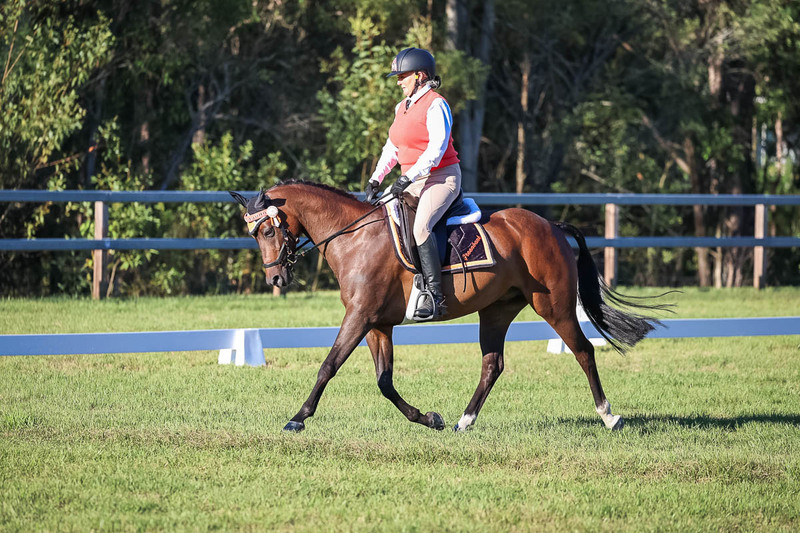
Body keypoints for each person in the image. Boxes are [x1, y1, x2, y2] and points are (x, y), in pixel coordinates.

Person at [365, 47, 461, 320]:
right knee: (380, 215)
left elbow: (436, 150)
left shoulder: (436, 104)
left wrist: (407, 177)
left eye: (403, 76)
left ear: (420, 76)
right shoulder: (402, 107)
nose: (398, 81)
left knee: (421, 228)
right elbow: (392, 148)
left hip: (442, 177)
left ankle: (434, 296)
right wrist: (376, 178)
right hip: (414, 179)